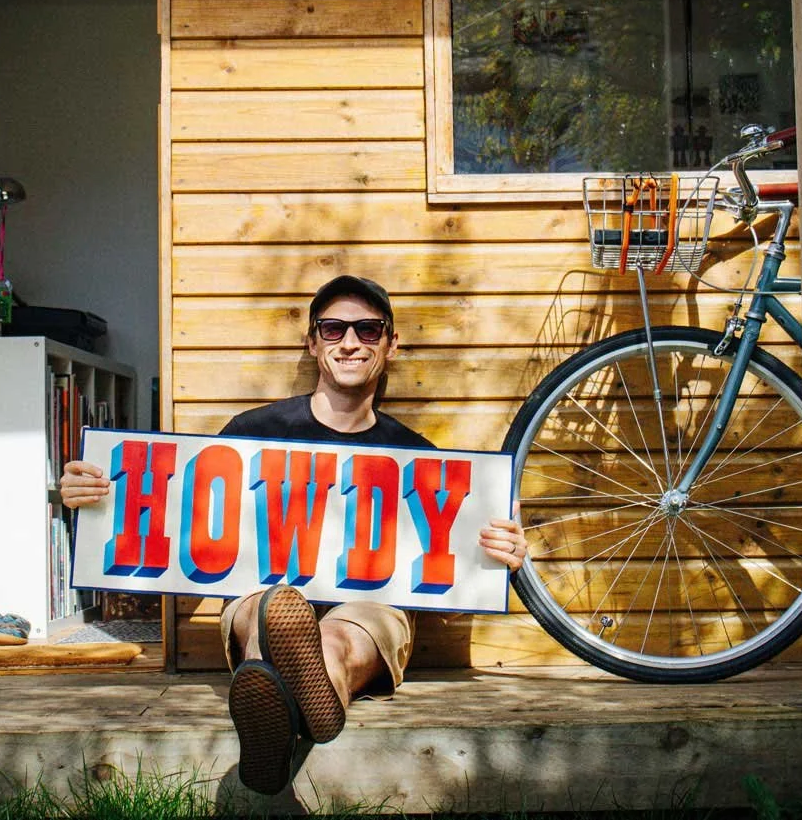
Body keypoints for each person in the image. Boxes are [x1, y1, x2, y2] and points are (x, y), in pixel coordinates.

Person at [61, 275, 528, 795]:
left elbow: (453, 598)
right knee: (270, 612)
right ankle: (307, 710)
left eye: (368, 330)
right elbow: (179, 518)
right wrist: (99, 496)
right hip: (263, 594)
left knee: (341, 635)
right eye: (333, 329)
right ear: (312, 342)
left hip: (370, 602)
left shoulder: (417, 458)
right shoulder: (251, 434)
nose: (349, 342)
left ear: (390, 344)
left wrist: (499, 558)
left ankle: (278, 724)